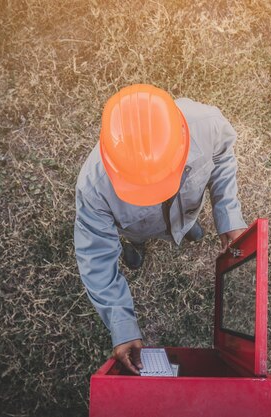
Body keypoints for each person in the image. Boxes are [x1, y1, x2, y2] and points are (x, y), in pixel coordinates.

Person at [74, 84, 247, 375]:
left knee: (188, 225)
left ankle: (186, 228)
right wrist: (123, 327)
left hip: (188, 213)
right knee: (136, 237)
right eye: (142, 190)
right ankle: (136, 245)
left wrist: (228, 215)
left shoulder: (207, 124)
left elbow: (224, 158)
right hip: (137, 228)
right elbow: (96, 258)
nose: (154, 197)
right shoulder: (93, 188)